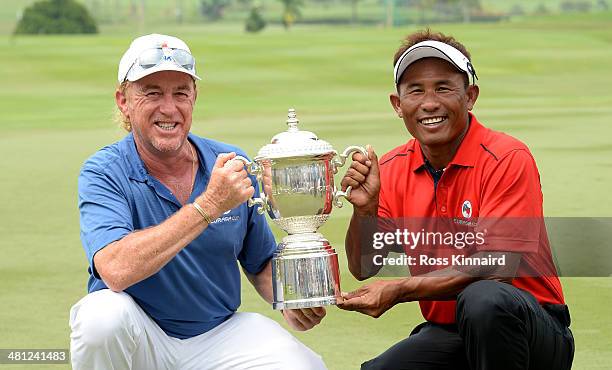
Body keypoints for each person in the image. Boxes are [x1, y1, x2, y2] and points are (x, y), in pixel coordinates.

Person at [70, 33, 327, 370]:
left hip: (218, 334)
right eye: (152, 93)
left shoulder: (229, 163)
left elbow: (261, 260)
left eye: (181, 92)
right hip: (141, 338)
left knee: (303, 366)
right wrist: (209, 206)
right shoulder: (103, 172)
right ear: (124, 101)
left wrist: (290, 300)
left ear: (194, 97)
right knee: (100, 318)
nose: (169, 107)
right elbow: (116, 270)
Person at [338, 30, 574, 370]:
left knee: (484, 300)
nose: (429, 102)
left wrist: (401, 289)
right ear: (397, 104)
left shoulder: (506, 157)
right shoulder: (389, 169)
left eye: (443, 88)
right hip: (451, 331)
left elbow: (495, 269)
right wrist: (365, 210)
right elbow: (363, 267)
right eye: (415, 90)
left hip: (531, 331)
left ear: (471, 96)